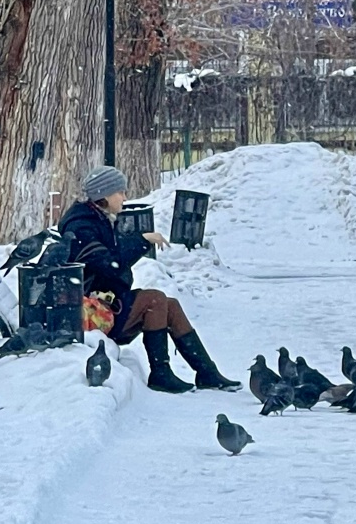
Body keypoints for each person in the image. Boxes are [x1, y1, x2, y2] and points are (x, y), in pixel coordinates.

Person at [58, 166, 239, 394]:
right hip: (92, 313)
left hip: (105, 302)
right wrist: (141, 240)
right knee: (154, 300)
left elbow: (111, 264)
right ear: (103, 195)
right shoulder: (82, 226)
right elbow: (108, 265)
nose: (125, 197)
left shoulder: (97, 218)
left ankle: (207, 372)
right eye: (120, 192)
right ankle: (160, 372)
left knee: (169, 305)